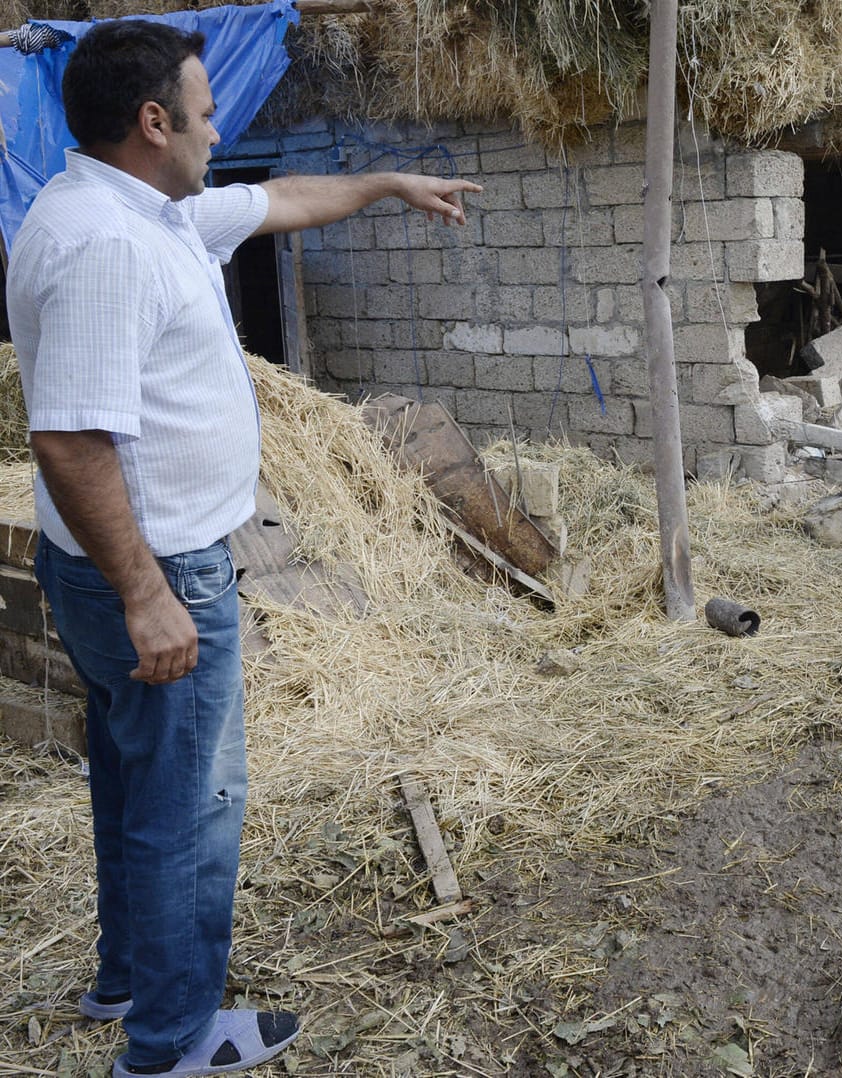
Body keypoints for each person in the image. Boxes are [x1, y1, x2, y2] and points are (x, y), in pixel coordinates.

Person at [6, 19, 480, 1078]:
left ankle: (129, 975)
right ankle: (170, 1043)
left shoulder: (143, 209)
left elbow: (274, 204)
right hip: (154, 570)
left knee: (133, 783)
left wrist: (392, 183)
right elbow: (69, 438)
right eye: (209, 113)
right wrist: (146, 594)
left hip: (132, 563)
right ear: (153, 121)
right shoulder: (105, 245)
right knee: (190, 810)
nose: (222, 132)